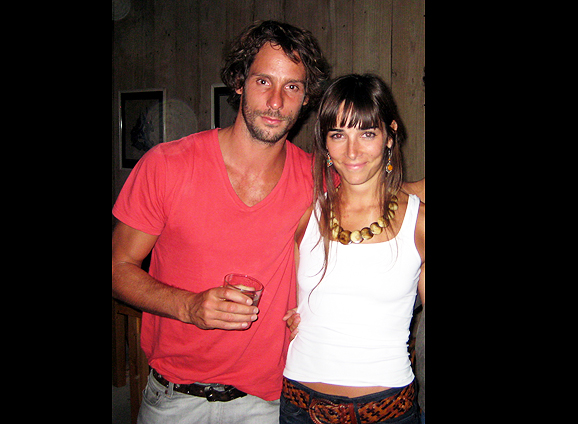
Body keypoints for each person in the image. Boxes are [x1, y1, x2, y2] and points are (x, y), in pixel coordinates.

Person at [111, 20, 330, 424]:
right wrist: (188, 306)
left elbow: (383, 200)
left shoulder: (318, 180)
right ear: (239, 82)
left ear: (306, 98)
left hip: (268, 402)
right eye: (263, 81)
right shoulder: (166, 166)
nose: (276, 102)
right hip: (174, 400)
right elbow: (118, 268)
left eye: (292, 87)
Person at [280, 74, 425, 424]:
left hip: (388, 411)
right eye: (338, 135)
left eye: (367, 134)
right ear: (325, 142)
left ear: (390, 135)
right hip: (299, 408)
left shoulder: (418, 222)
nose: (352, 151)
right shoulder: (307, 216)